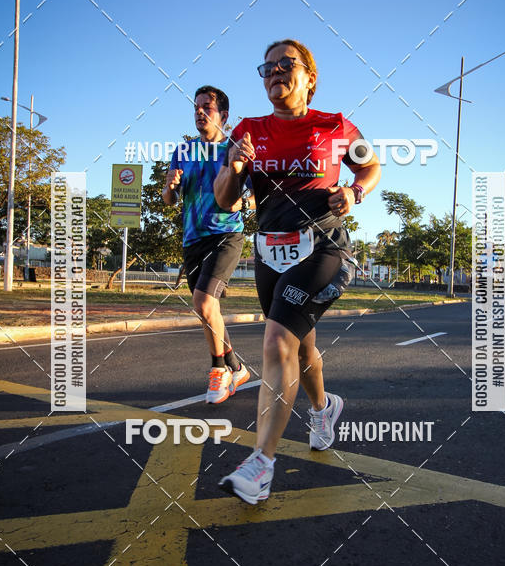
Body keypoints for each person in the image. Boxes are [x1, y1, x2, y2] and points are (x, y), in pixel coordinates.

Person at [214, 39, 382, 504]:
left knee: (276, 340)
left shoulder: (335, 124)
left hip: (324, 247)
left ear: (310, 76)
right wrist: (236, 166)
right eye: (266, 67)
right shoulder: (247, 130)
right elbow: (225, 197)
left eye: (286, 65)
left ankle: (261, 464)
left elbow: (372, 167)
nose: (274, 73)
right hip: (270, 251)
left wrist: (354, 192)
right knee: (299, 343)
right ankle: (324, 408)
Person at [163, 86, 251, 403]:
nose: (200, 112)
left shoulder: (235, 149)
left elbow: (250, 197)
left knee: (203, 303)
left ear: (223, 116)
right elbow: (170, 199)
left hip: (226, 235)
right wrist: (170, 187)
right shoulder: (183, 152)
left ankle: (219, 370)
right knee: (208, 309)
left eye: (207, 108)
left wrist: (244, 198)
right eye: (196, 107)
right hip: (193, 239)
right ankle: (237, 366)